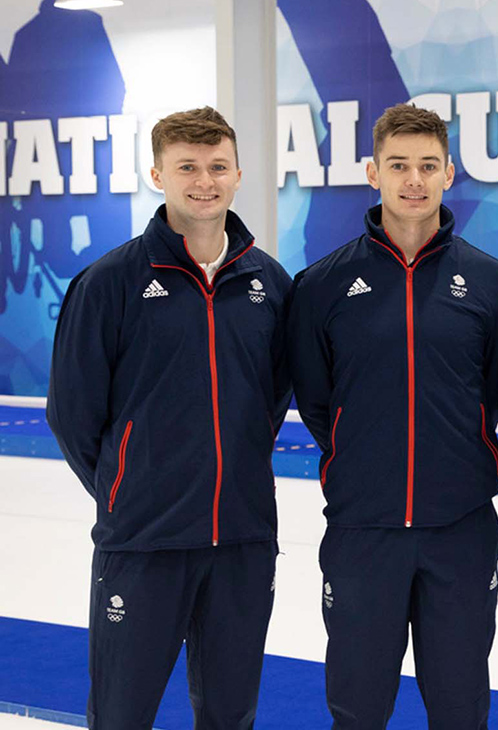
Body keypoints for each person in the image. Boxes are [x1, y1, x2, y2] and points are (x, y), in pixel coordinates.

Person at [46, 107, 291, 729]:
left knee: (231, 715)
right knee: (122, 715)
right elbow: (72, 413)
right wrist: (128, 490)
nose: (203, 181)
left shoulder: (271, 283)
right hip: (144, 543)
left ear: (238, 174)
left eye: (216, 167)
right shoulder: (109, 283)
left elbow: (276, 395)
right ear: (158, 173)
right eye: (187, 167)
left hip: (241, 539)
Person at [285, 103, 498, 728]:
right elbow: (317, 400)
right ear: (373, 172)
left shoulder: (490, 283)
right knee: (358, 708)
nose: (414, 179)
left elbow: (492, 390)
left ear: (449, 174)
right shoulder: (322, 285)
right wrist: (364, 462)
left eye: (427, 166)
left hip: (460, 530)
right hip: (364, 532)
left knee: (461, 706)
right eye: (399, 165)